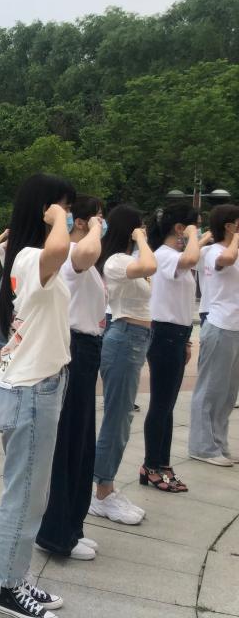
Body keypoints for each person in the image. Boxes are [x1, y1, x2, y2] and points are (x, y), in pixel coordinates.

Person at [0, 174, 73, 618]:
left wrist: (60, 219)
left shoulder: (32, 259)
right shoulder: (29, 256)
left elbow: (71, 253)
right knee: (24, 496)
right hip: (31, 392)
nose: (68, 215)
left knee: (30, 494)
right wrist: (58, 217)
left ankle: (16, 576)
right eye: (62, 206)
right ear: (44, 209)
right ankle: (7, 587)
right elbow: (59, 249)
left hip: (34, 386)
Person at [35, 195, 106, 560]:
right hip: (75, 349)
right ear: (81, 221)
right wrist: (92, 227)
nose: (101, 223)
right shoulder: (74, 252)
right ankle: (56, 533)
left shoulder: (82, 255)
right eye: (97, 217)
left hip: (87, 349)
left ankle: (72, 527)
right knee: (69, 442)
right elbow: (86, 253)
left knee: (81, 442)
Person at [89, 205, 157, 524]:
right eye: (139, 226)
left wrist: (140, 241)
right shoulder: (116, 260)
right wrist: (142, 239)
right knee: (118, 417)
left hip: (135, 338)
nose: (144, 231)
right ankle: (102, 492)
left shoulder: (127, 260)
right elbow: (151, 265)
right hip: (124, 338)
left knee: (122, 416)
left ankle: (106, 487)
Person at [143, 204, 205, 491]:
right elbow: (192, 257)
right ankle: (151, 465)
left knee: (167, 405)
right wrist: (193, 235)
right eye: (195, 225)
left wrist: (187, 340)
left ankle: (162, 463)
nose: (198, 231)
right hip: (164, 334)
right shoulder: (164, 255)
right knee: (160, 404)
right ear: (180, 228)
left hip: (178, 335)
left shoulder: (176, 257)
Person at [189, 204, 239, 467]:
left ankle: (219, 443)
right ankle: (203, 447)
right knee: (210, 389)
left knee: (228, 393)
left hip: (234, 328)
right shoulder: (213, 252)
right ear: (230, 226)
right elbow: (226, 260)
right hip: (219, 326)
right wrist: (234, 238)